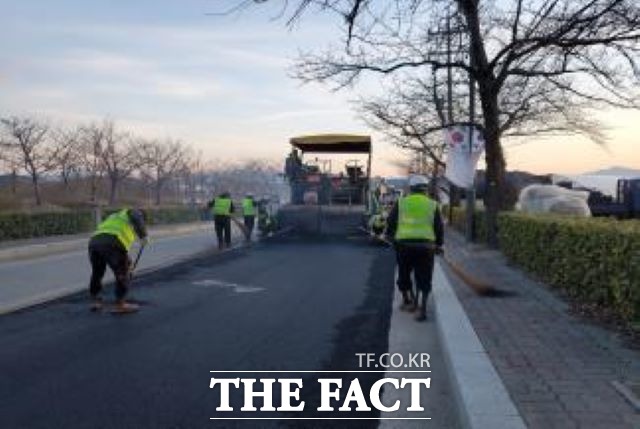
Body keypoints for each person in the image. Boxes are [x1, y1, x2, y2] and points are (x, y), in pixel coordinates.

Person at [386, 175, 444, 322]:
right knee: (424, 277)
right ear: (425, 189)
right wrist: (439, 245)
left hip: (404, 245)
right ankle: (422, 309)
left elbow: (391, 221)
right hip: (426, 246)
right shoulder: (433, 204)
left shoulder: (401, 203)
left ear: (411, 189)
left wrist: (390, 237)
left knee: (404, 273)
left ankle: (407, 301)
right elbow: (439, 227)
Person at [88, 208, 149, 313]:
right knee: (122, 273)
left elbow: (121, 253)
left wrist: (128, 262)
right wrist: (143, 236)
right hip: (112, 243)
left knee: (97, 273)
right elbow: (136, 217)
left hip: (94, 243)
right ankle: (121, 304)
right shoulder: (133, 212)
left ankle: (95, 301)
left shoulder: (115, 216)